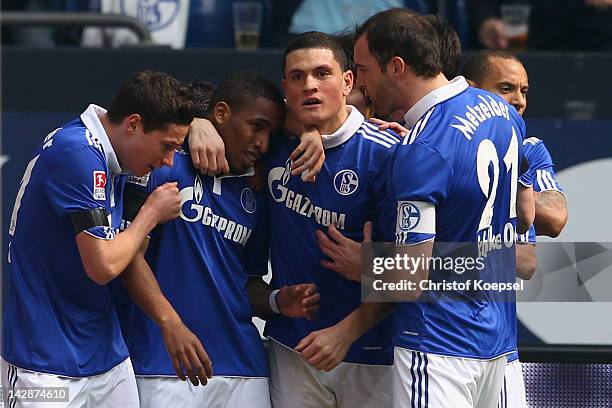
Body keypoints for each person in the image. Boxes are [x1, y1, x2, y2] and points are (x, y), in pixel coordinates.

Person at [188, 31, 400, 408]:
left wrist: (348, 324)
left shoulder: (390, 154)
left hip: (372, 350)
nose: (310, 86)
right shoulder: (268, 144)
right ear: (285, 87)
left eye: (322, 74)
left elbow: (415, 270)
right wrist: (197, 122)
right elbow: (173, 103)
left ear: (348, 80)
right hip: (291, 349)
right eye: (298, 77)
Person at [342, 8, 534, 407]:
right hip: (497, 344)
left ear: (395, 67)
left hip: (437, 344)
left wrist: (368, 266)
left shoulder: (421, 150)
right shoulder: (503, 114)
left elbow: (409, 280)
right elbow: (526, 230)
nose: (358, 82)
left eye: (362, 69)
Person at [115, 72, 320, 408]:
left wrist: (277, 302)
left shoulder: (259, 191)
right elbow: (126, 256)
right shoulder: (165, 163)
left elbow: (249, 284)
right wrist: (197, 121)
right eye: (256, 127)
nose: (263, 143)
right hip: (164, 362)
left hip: (245, 367)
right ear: (221, 114)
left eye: (269, 132)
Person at [1, 70, 192, 407]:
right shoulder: (76, 152)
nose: (168, 161)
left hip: (108, 357)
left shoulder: (119, 155)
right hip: (41, 363)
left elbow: (129, 251)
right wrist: (151, 213)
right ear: (133, 124)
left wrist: (204, 127)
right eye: (166, 147)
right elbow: (103, 266)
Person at [463, 49, 568, 408]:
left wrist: (510, 177)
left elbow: (552, 220)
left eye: (524, 91)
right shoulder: (442, 143)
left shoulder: (528, 150)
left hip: (500, 345)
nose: (519, 101)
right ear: (471, 90)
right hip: (434, 339)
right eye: (506, 88)